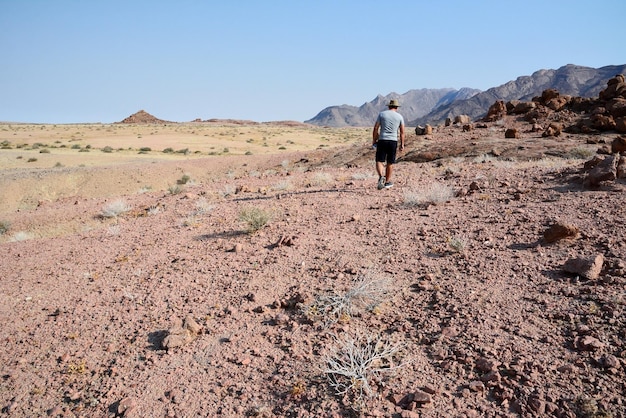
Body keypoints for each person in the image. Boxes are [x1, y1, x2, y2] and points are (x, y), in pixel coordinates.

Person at [372, 99, 405, 189]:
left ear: (389, 106)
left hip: (382, 140)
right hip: (393, 141)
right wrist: (402, 144)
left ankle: (380, 177)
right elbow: (402, 132)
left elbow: (376, 128)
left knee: (379, 160)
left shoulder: (382, 114)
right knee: (390, 162)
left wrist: (374, 140)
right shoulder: (400, 117)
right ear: (397, 107)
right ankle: (387, 182)